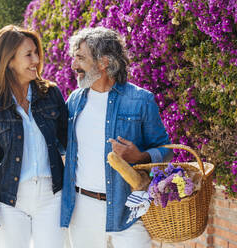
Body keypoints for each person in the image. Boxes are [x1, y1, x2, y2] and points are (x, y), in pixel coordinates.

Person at [60, 27, 172, 248]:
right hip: (83, 212)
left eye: (81, 58)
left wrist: (141, 156)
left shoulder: (140, 100)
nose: (74, 66)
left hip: (129, 212)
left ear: (103, 62)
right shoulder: (74, 101)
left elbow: (166, 150)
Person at [0, 25, 67, 248]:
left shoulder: (51, 94)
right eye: (28, 54)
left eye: (36, 52)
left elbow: (70, 142)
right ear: (8, 61)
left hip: (52, 197)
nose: (36, 59)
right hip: (10, 201)